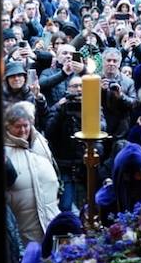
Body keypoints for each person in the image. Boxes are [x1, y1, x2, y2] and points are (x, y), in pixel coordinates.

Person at [43, 74, 103, 211]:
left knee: (91, 203)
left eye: (82, 86)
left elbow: (102, 128)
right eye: (75, 86)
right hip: (65, 164)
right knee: (65, 205)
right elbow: (49, 131)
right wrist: (61, 111)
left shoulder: (93, 105)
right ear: (68, 89)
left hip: (86, 163)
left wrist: (86, 114)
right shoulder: (59, 106)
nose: (78, 89)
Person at [3, 102, 60, 246]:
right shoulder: (5, 154)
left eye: (26, 125)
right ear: (7, 127)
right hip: (25, 235)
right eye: (18, 126)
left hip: (51, 226)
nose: (23, 130)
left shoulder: (40, 142)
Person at [2, 58, 47, 128]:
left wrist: (38, 97)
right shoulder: (2, 96)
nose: (16, 79)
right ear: (7, 79)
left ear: (25, 78)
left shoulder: (31, 94)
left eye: (19, 75)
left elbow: (44, 115)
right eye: (12, 76)